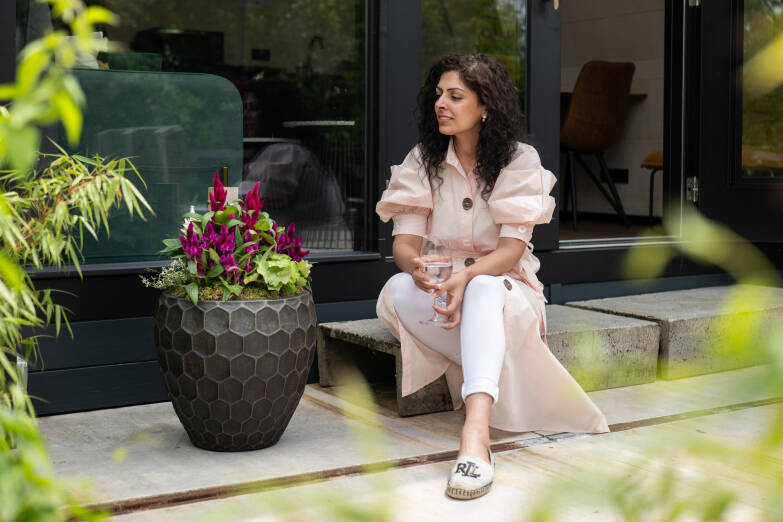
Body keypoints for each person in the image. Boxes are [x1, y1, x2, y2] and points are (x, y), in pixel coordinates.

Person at [375, 54, 609, 500]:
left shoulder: (518, 159)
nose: (441, 104)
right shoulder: (422, 158)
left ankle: (476, 436)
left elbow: (509, 252)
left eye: (455, 96)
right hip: (445, 294)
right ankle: (486, 360)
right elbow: (405, 243)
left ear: (485, 106)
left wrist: (465, 277)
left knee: (481, 286)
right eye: (438, 95)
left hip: (505, 292)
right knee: (396, 289)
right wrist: (416, 268)